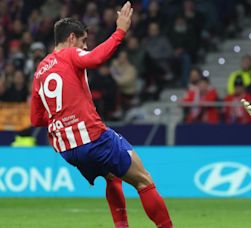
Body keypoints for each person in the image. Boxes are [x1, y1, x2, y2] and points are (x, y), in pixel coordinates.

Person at [29, 2, 173, 228]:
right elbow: (95, 58)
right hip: (92, 137)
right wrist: (120, 31)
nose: (85, 47)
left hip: (67, 149)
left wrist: (64, 116)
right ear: (72, 38)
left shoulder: (39, 71)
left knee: (112, 177)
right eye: (84, 41)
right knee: (144, 180)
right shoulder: (69, 54)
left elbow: (36, 120)